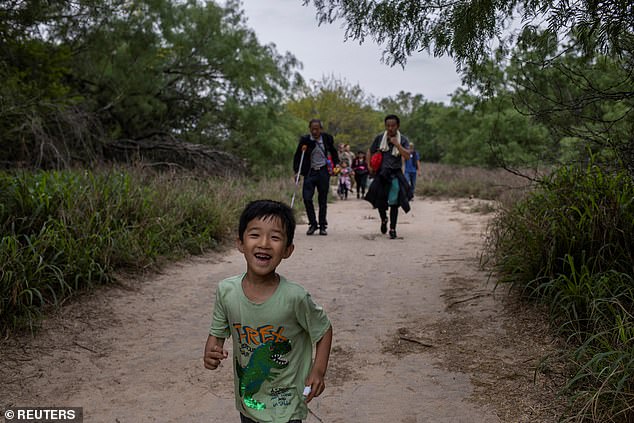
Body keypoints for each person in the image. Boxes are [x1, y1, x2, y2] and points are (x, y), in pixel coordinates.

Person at [203, 200, 333, 423]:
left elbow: (324, 330)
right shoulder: (226, 291)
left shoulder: (295, 297)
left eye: (275, 237)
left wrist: (317, 370)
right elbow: (216, 337)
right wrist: (211, 354)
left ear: (288, 250)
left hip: (287, 405)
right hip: (248, 404)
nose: (264, 243)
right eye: (255, 234)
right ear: (240, 243)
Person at [365, 114, 413, 239]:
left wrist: (397, 145)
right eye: (388, 126)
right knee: (380, 201)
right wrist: (369, 165)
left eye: (393, 126)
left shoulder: (402, 139)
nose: (390, 128)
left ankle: (392, 228)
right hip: (381, 174)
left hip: (395, 174)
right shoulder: (380, 137)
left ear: (398, 126)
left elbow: (407, 156)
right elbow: (370, 151)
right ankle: (383, 219)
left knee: (394, 203)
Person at [293, 119, 339, 236]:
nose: (314, 131)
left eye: (317, 129)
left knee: (322, 200)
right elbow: (298, 156)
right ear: (310, 129)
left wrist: (337, 163)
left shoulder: (327, 138)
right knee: (307, 198)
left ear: (321, 129)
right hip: (310, 172)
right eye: (312, 129)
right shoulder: (305, 140)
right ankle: (313, 224)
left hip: (323, 172)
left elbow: (333, 152)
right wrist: (296, 171)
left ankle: (323, 226)